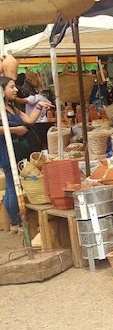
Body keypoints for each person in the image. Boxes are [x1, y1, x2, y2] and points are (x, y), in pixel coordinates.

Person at [0, 77, 53, 233]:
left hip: (19, 149)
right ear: (1, 90)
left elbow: (29, 121)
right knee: (12, 185)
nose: (16, 90)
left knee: (14, 185)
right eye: (11, 87)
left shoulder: (13, 108)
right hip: (6, 150)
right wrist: (16, 130)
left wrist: (38, 107)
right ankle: (16, 223)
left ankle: (15, 224)